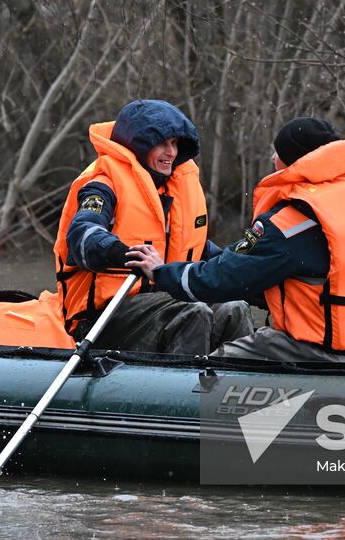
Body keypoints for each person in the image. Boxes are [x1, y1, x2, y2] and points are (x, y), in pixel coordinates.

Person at [127, 117, 345, 364]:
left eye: (277, 152)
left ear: (294, 161)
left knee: (211, 365)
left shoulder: (291, 222)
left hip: (322, 350)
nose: (272, 158)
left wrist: (162, 272)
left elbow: (224, 278)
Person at [49, 99, 253, 355]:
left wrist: (251, 275)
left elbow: (201, 252)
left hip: (162, 304)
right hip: (103, 317)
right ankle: (182, 392)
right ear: (139, 146)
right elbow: (82, 234)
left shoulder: (175, 191)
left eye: (175, 144)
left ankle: (234, 390)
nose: (172, 153)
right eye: (163, 144)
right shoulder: (102, 184)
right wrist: (124, 254)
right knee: (192, 311)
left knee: (234, 307)